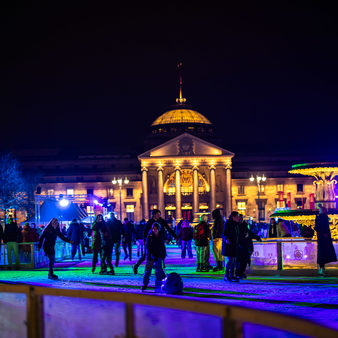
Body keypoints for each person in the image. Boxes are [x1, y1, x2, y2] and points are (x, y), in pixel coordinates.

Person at [133, 209, 177, 275]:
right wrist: (145, 241)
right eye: (157, 214)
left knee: (162, 254)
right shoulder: (150, 222)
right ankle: (136, 266)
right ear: (154, 214)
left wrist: (175, 236)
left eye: (159, 214)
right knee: (146, 256)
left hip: (160, 240)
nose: (159, 215)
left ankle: (159, 269)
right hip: (151, 241)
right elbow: (145, 232)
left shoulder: (161, 221)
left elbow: (168, 228)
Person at [141, 223, 166, 292]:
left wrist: (163, 254)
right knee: (148, 271)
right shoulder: (150, 236)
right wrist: (152, 255)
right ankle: (145, 284)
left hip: (159, 256)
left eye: (156, 229)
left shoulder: (160, 236)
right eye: (153, 229)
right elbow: (148, 247)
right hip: (150, 257)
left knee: (159, 271)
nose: (155, 230)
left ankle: (158, 285)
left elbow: (162, 246)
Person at [236, 214, 262, 279]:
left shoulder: (244, 225)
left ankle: (241, 272)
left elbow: (249, 233)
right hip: (239, 246)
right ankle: (238, 273)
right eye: (239, 218)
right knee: (239, 260)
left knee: (245, 260)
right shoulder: (235, 226)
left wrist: (257, 237)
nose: (240, 220)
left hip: (245, 245)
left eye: (241, 218)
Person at [314, 205, 337, 276]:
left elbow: (317, 227)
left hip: (324, 238)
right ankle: (321, 268)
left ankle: (322, 268)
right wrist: (324, 233)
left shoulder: (322, 217)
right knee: (323, 253)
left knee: (323, 253)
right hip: (323, 238)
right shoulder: (321, 218)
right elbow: (317, 227)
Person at [222, 211, 240, 282]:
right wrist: (226, 239)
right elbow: (224, 234)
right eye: (237, 216)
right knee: (230, 260)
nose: (238, 218)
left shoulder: (236, 224)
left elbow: (237, 234)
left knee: (234, 261)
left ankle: (232, 275)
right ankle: (226, 275)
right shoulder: (228, 223)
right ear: (233, 217)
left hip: (234, 245)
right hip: (229, 246)